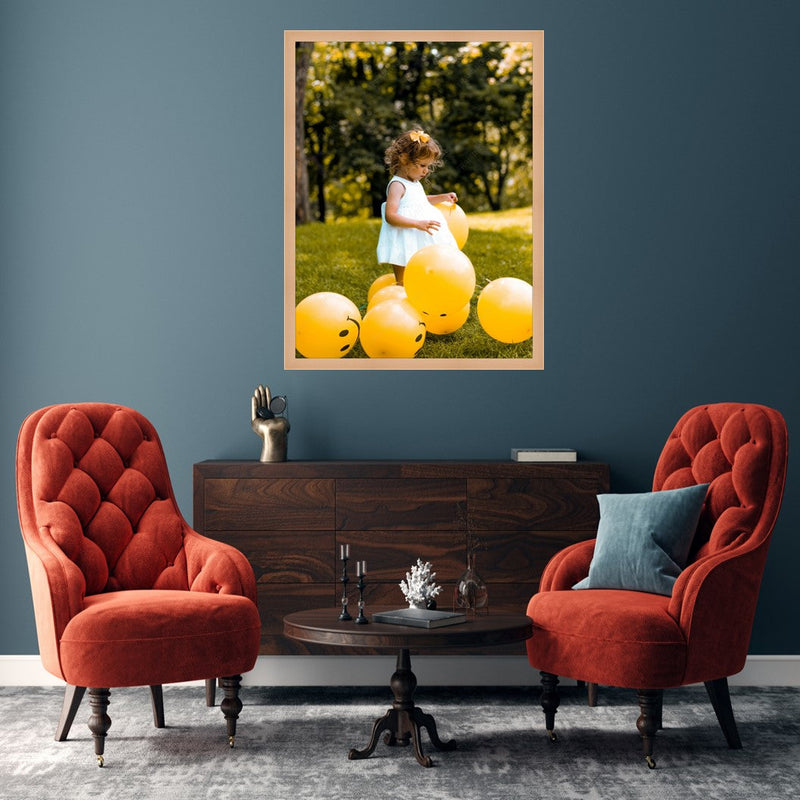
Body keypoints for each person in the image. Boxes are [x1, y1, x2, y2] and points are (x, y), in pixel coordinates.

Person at [376, 129, 458, 285]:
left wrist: (443, 197)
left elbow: (420, 201)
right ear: (404, 159)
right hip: (404, 235)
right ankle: (400, 288)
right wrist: (417, 223)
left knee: (422, 270)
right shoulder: (397, 185)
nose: (426, 171)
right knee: (404, 276)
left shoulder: (414, 182)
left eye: (428, 166)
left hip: (418, 233)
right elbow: (390, 215)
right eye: (422, 165)